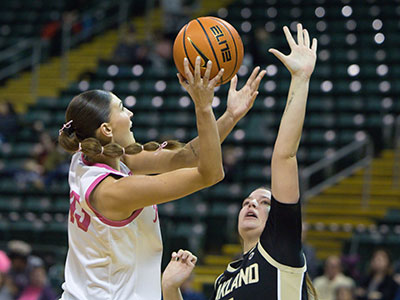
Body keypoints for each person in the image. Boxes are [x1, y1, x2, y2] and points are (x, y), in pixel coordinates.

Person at [58, 54, 266, 300]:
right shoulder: (113, 191)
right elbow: (210, 173)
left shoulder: (87, 157)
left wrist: (231, 115)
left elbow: (189, 155)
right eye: (122, 109)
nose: (131, 113)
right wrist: (203, 107)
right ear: (107, 130)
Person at [162, 23, 318, 300]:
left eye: (264, 202)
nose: (251, 203)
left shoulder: (279, 246)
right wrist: (170, 289)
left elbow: (284, 156)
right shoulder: (225, 279)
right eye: (247, 201)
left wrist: (301, 79)